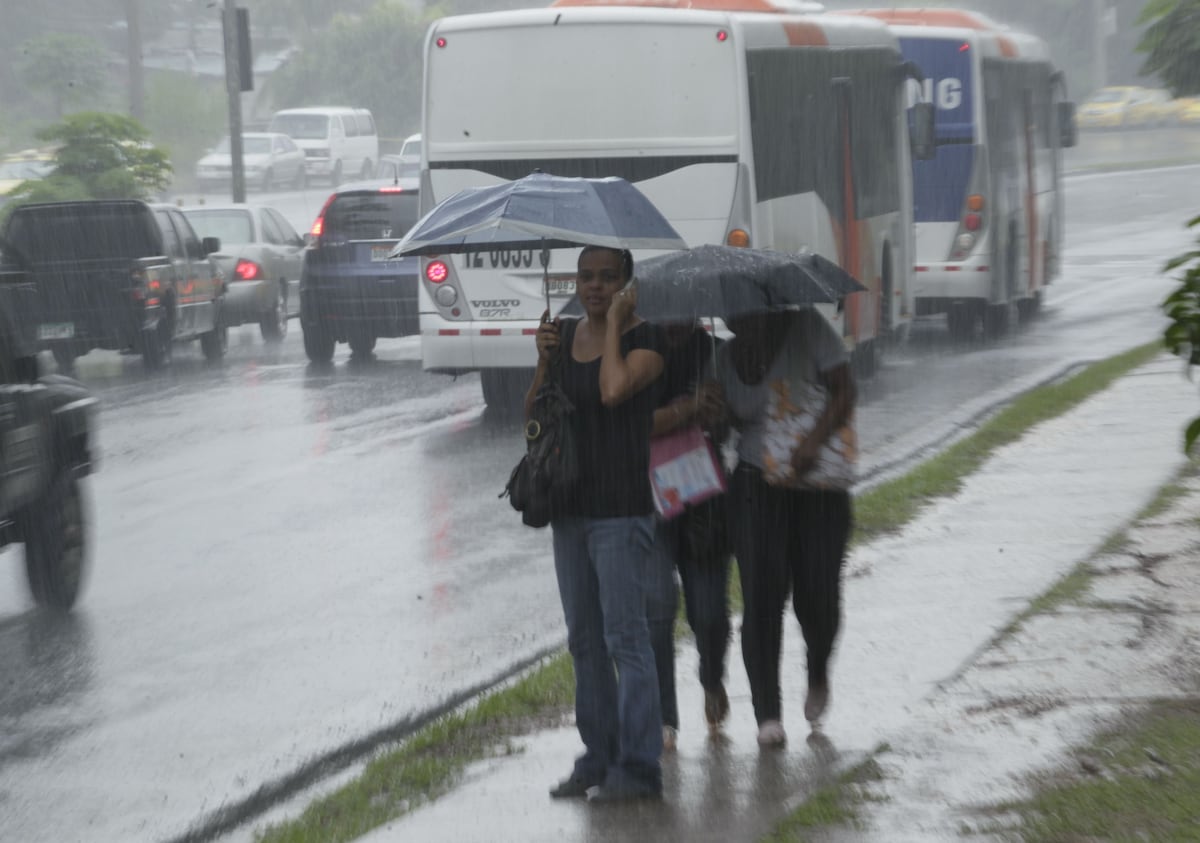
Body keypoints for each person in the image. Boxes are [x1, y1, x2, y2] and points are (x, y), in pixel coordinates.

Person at [530, 245, 667, 802]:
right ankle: (598, 757)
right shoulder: (562, 337)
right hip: (569, 511)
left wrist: (612, 328)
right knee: (584, 641)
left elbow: (612, 390)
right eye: (585, 276)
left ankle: (639, 767)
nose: (593, 286)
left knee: (625, 639)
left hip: (620, 512)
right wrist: (544, 361)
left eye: (607, 278)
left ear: (626, 284)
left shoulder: (648, 340)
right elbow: (533, 418)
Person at [709, 307, 857, 748]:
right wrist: (713, 413)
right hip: (755, 486)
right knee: (761, 598)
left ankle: (817, 667)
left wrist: (813, 441)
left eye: (747, 311)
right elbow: (724, 428)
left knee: (818, 594)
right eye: (732, 314)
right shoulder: (724, 359)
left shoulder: (807, 328)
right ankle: (767, 713)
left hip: (816, 484)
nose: (739, 320)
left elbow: (845, 389)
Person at [645, 321, 732, 751]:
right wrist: (687, 409)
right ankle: (664, 717)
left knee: (709, 611)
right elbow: (632, 422)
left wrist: (717, 413)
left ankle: (712, 676)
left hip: (704, 502)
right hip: (650, 500)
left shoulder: (715, 353)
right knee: (657, 608)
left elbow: (730, 424)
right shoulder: (638, 351)